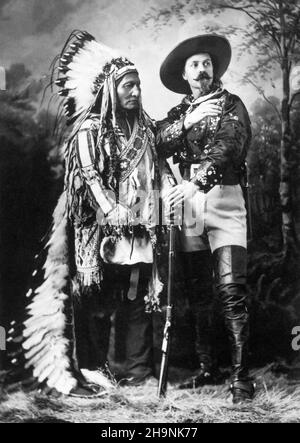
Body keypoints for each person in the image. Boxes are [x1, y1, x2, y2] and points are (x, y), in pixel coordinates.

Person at [8, 31, 174, 396]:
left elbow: (158, 170)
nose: (135, 91)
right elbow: (89, 176)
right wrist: (109, 208)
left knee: (136, 298)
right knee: (96, 300)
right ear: (111, 89)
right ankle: (93, 370)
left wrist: (162, 204)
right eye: (128, 85)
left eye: (138, 85)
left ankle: (135, 370)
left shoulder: (145, 130)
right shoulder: (89, 130)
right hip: (96, 230)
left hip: (140, 230)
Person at [157, 34, 255, 403]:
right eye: (195, 65)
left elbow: (231, 147)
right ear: (185, 74)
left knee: (231, 291)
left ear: (214, 70)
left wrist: (197, 182)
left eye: (207, 64)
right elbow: (157, 143)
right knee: (198, 293)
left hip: (224, 200)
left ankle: (241, 378)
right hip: (188, 208)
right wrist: (188, 122)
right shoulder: (180, 113)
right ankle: (207, 367)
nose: (202, 70)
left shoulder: (232, 105)